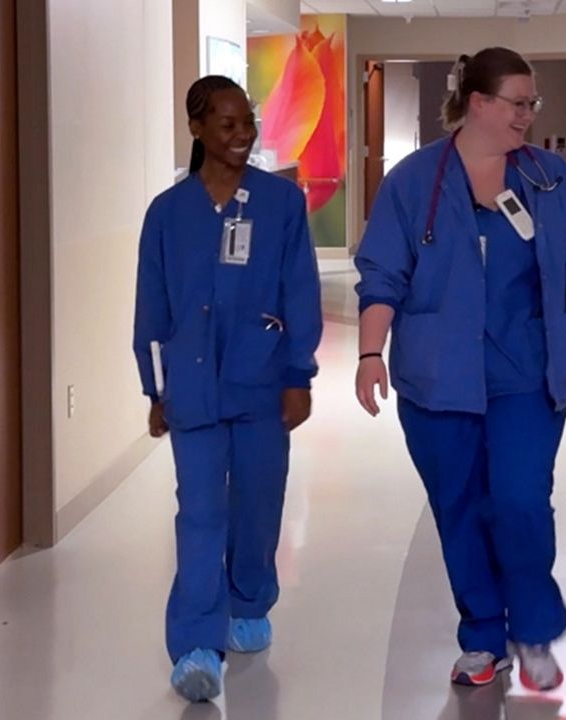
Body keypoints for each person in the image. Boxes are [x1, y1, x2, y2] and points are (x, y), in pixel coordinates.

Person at [353, 48, 566, 692]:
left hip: (527, 375)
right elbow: (382, 274)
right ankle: (483, 638)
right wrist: (369, 354)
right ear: (478, 103)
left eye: (532, 103)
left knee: (521, 502)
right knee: (460, 507)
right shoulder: (414, 182)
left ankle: (534, 630)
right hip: (437, 378)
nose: (528, 115)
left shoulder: (551, 182)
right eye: (518, 103)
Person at [132, 75, 323, 703]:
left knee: (258, 504)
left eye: (248, 122)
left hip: (262, 382)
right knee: (200, 514)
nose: (243, 135)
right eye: (228, 123)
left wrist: (298, 374)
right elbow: (152, 306)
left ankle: (249, 601)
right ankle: (195, 645)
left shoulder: (281, 203)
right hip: (191, 387)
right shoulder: (168, 213)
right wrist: (155, 390)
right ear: (197, 129)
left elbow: (300, 289)